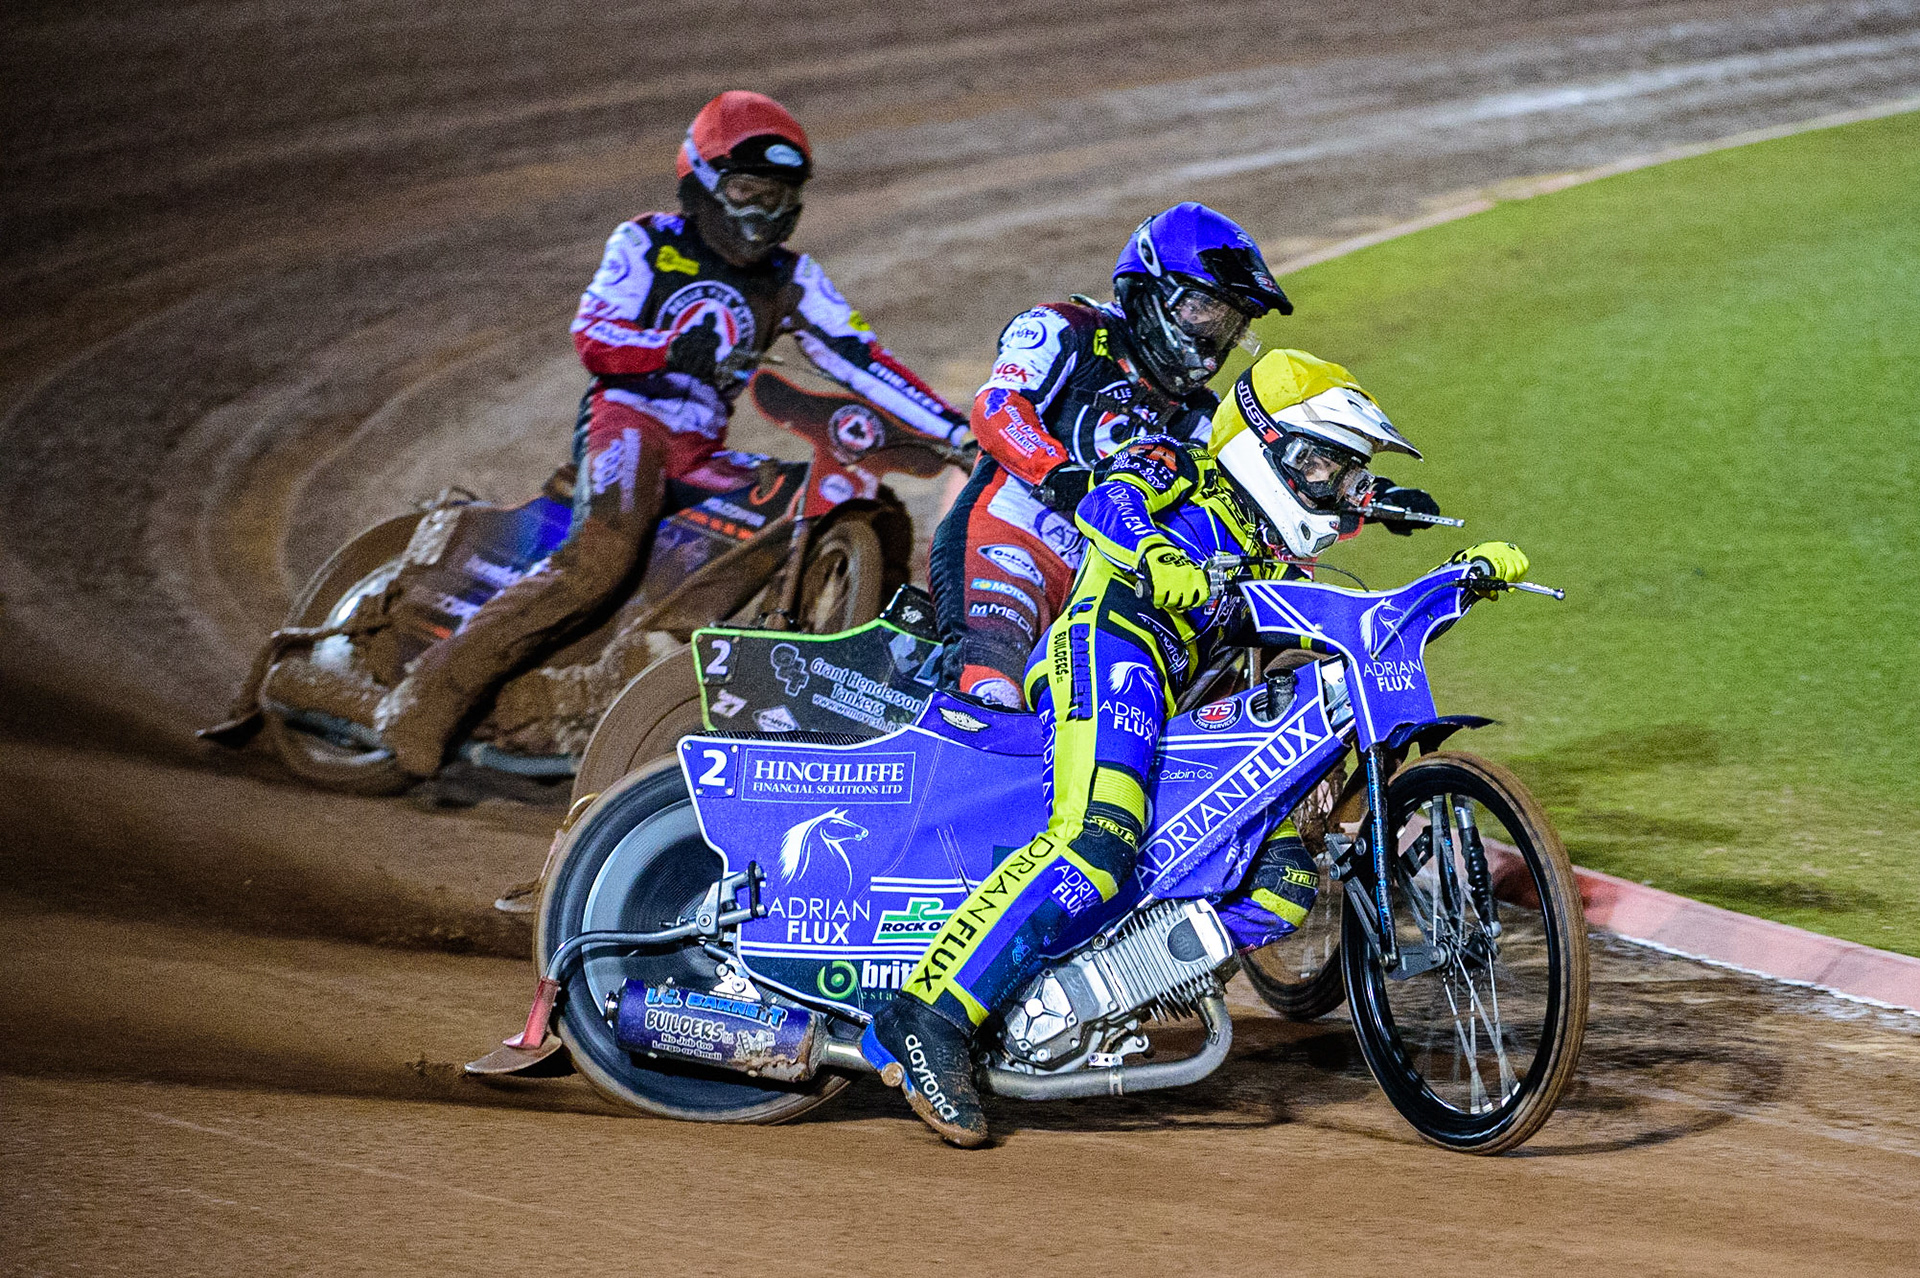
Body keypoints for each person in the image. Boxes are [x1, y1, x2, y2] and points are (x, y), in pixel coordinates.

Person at [862, 349, 1521, 1147]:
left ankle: (1086, 991)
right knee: (1097, 839)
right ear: (1261, 444)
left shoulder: (1274, 539)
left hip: (1185, 698)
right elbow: (1109, 501)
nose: (1331, 485)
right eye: (1320, 463)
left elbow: (1333, 584)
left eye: (1344, 471)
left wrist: (1447, 566)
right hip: (1110, 648)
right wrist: (1154, 552)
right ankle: (926, 1016)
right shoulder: (1181, 459)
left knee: (1278, 884)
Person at [372, 91, 969, 775]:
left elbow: (862, 360)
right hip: (628, 421)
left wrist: (955, 430)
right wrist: (667, 349)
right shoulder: (647, 243)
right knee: (603, 554)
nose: (765, 211)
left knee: (786, 502)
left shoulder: (792, 279)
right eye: (747, 189)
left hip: (700, 451)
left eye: (780, 195)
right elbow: (592, 335)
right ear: (704, 183)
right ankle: (424, 700)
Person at [928, 203, 1290, 709]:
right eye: (1205, 311)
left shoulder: (1205, 416)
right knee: (994, 692)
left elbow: (1263, 493)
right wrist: (1058, 474)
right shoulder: (1065, 327)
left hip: (1101, 582)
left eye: (1231, 324)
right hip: (1008, 539)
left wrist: (1348, 493)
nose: (1213, 340)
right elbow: (998, 405)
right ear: (1149, 290)